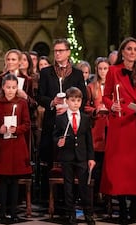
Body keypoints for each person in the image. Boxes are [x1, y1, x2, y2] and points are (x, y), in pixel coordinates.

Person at [100, 37, 136, 225]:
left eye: (135, 50)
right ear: (122, 51)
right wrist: (111, 105)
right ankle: (121, 210)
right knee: (119, 168)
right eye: (129, 49)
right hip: (120, 123)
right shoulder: (113, 71)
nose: (132, 52)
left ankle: (134, 211)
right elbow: (106, 96)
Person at [37, 38, 87, 200]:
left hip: (71, 121)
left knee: (69, 160)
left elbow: (84, 98)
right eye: (55, 51)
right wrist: (52, 102)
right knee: (51, 159)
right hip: (52, 121)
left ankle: (70, 198)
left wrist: (70, 106)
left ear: (68, 53)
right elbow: (40, 96)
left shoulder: (77, 74)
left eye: (60, 51)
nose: (57, 54)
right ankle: (49, 198)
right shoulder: (46, 72)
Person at [0, 74, 32, 222]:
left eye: (14, 87)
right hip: (3, 147)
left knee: (15, 182)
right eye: (8, 87)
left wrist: (16, 129)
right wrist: (0, 129)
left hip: (17, 147)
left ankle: (13, 212)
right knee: (3, 182)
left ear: (17, 88)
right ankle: (2, 213)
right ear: (3, 87)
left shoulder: (22, 103)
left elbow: (27, 124)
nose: (11, 90)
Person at [54, 87, 96, 225]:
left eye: (78, 100)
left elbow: (89, 140)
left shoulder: (85, 118)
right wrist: (58, 141)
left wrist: (91, 158)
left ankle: (88, 213)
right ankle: (71, 214)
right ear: (66, 101)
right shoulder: (60, 119)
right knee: (69, 186)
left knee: (84, 187)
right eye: (72, 100)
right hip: (67, 157)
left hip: (82, 157)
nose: (76, 103)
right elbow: (54, 136)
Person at [84, 57, 110, 204]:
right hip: (96, 128)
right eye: (100, 68)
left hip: (110, 127)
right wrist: (95, 110)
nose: (103, 71)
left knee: (108, 162)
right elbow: (86, 106)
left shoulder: (114, 86)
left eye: (105, 68)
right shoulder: (91, 87)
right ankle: (95, 195)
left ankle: (106, 194)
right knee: (96, 162)